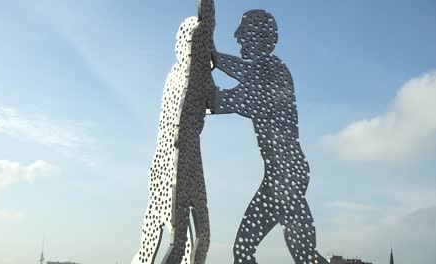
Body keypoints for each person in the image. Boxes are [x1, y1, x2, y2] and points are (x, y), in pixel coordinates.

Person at [211, 10, 328, 264]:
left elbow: (223, 101)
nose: (237, 35)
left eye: (243, 30)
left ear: (258, 37)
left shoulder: (271, 75)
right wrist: (214, 57)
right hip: (288, 173)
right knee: (305, 256)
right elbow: (239, 70)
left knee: (244, 250)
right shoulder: (272, 69)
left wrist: (203, 70)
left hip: (284, 175)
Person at [131, 1, 216, 264]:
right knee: (190, 240)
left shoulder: (174, 76)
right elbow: (216, 103)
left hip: (163, 164)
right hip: (180, 164)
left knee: (161, 239)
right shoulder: (195, 77)